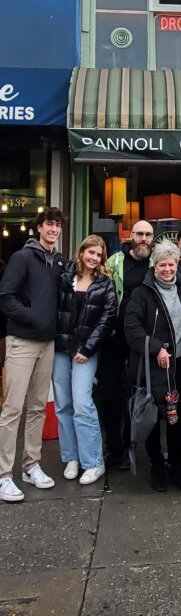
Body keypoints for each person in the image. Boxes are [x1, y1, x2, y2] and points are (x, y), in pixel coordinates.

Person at [0, 207, 65, 502]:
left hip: (47, 343)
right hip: (22, 342)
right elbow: (5, 297)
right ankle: (3, 475)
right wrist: (31, 317)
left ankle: (31, 466)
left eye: (57, 225)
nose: (53, 229)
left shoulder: (58, 262)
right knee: (13, 408)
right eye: (49, 224)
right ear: (39, 227)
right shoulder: (23, 257)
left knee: (38, 407)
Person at [124, 240, 181, 492]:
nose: (167, 269)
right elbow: (131, 328)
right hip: (152, 365)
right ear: (154, 266)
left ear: (177, 265)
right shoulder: (142, 292)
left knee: (176, 418)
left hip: (179, 363)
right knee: (152, 417)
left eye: (171, 264)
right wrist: (156, 347)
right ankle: (157, 465)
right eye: (162, 264)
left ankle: (175, 466)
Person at [54, 235, 117, 485]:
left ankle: (93, 461)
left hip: (85, 351)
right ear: (81, 252)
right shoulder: (64, 277)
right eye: (90, 252)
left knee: (82, 404)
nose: (94, 258)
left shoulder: (105, 283)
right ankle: (72, 457)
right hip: (60, 347)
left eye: (98, 254)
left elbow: (107, 318)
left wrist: (89, 348)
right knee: (63, 405)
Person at [97, 219, 155, 470]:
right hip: (114, 338)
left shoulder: (156, 265)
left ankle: (139, 449)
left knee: (141, 396)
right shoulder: (114, 262)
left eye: (148, 235)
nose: (143, 239)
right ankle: (115, 448)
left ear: (153, 238)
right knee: (109, 393)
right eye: (139, 234)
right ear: (130, 236)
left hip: (143, 341)